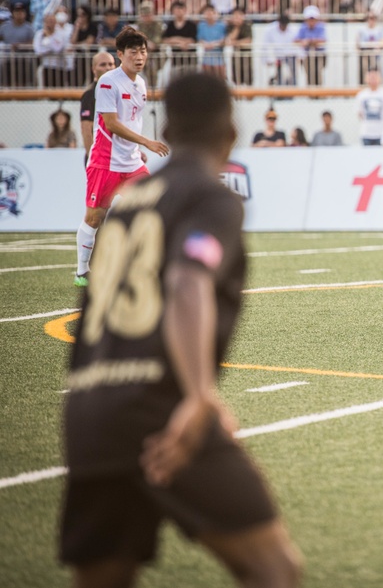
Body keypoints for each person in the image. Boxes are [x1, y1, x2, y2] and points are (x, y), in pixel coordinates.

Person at [61, 72, 302, 588]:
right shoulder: (212, 198)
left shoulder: (129, 201)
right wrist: (199, 396)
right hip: (160, 405)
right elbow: (188, 282)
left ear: (165, 125)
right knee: (274, 568)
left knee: (103, 578)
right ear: (230, 134)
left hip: (90, 408)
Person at [75, 28, 170, 288]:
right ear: (120, 55)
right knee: (94, 218)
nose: (139, 57)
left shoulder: (140, 83)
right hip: (105, 162)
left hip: (131, 163)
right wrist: (146, 142)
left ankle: (143, 266)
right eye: (133, 52)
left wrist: (136, 150)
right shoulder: (108, 82)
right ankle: (82, 271)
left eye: (143, 51)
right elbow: (112, 124)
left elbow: (132, 122)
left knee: (155, 207)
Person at [80, 51, 117, 158]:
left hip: (116, 154)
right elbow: (86, 129)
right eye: (103, 64)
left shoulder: (115, 91)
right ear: (94, 69)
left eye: (111, 64)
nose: (108, 67)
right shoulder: (90, 94)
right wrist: (93, 156)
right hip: (99, 156)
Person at [355, 69, 383, 146]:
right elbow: (359, 114)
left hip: (382, 132)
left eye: (375, 77)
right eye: (370, 77)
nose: (373, 79)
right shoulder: (361, 95)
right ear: (366, 79)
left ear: (380, 79)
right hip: (366, 133)